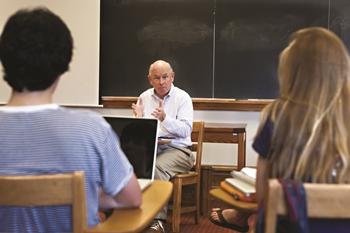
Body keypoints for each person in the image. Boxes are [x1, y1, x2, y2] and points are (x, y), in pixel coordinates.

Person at [0, 7, 141, 233]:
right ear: (63, 63)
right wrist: (84, 196)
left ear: (5, 60)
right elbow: (131, 198)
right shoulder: (90, 129)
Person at [210, 27, 350, 233]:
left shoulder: (277, 116)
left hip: (286, 227)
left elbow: (262, 192)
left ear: (291, 73)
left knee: (256, 218)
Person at [132, 60, 195, 233]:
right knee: (128, 162)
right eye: (157, 78)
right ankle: (132, 215)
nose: (161, 82)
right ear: (149, 79)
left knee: (156, 167)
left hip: (179, 150)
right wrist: (137, 119)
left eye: (165, 77)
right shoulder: (144, 97)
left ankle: (158, 222)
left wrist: (165, 118)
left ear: (172, 77)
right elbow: (139, 134)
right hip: (152, 149)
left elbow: (185, 130)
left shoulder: (183, 98)